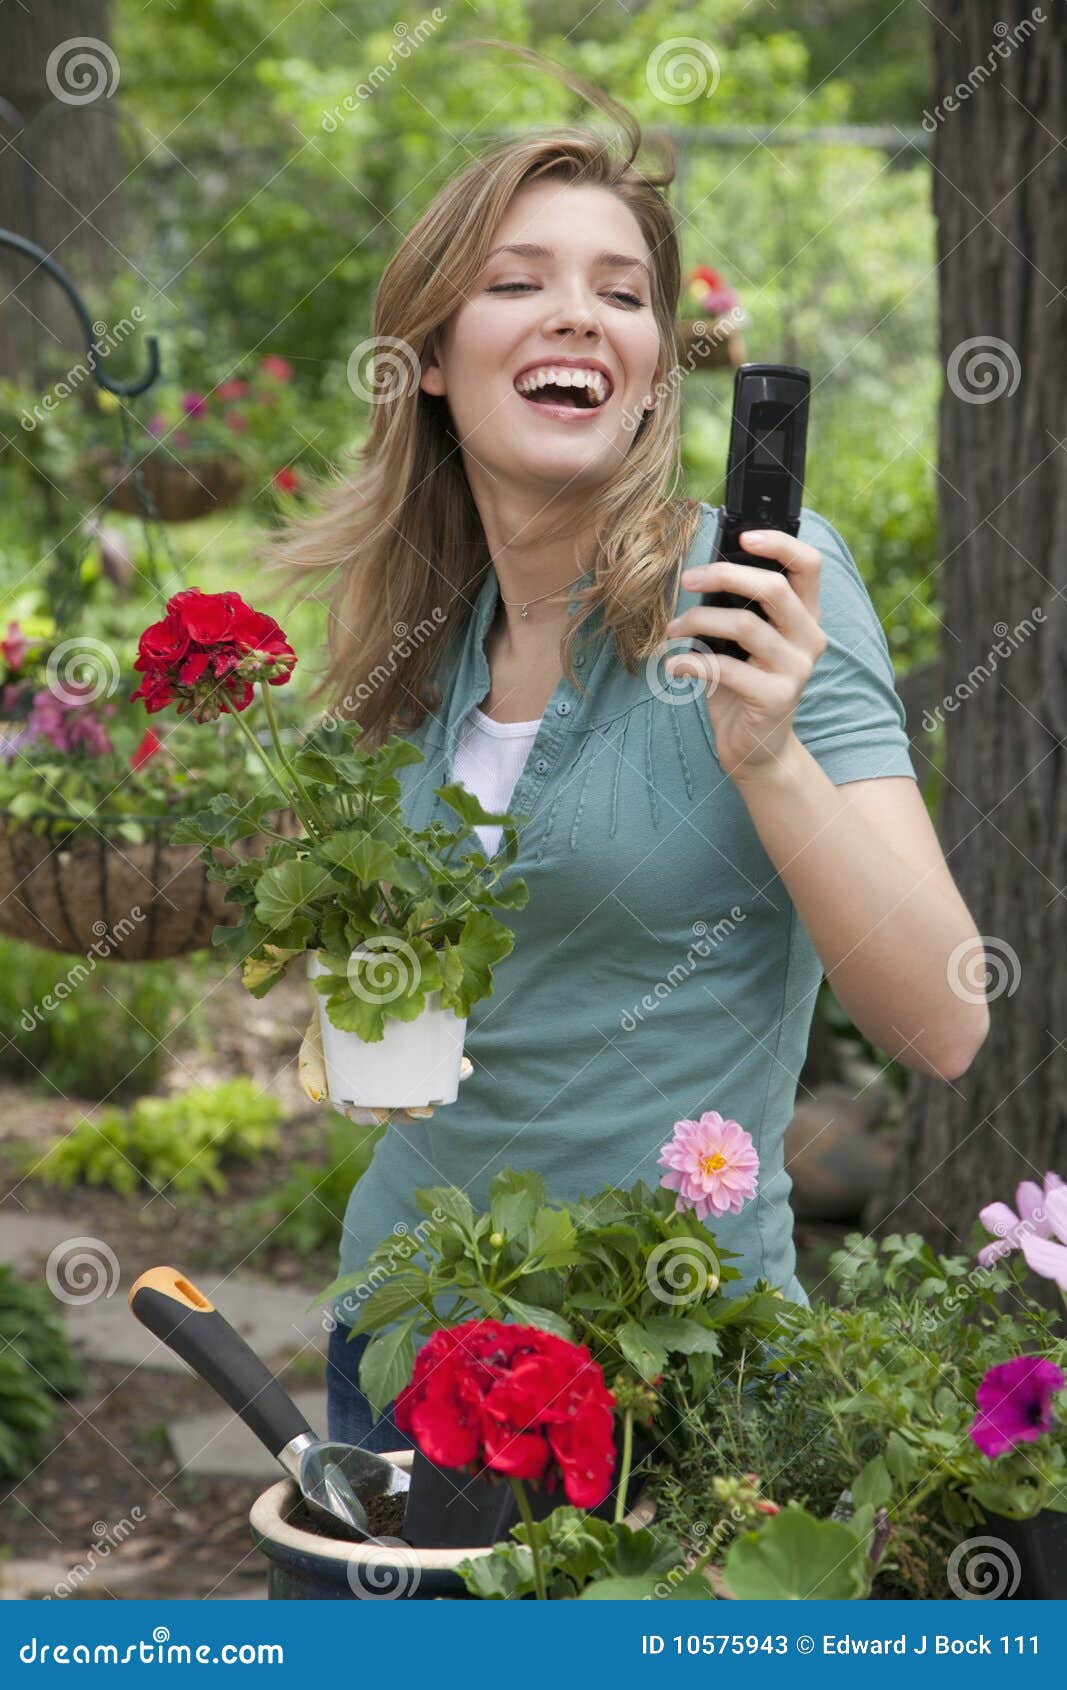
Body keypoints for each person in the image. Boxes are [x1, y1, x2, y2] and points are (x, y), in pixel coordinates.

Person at [270, 53, 989, 1453]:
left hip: (672, 1372)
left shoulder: (770, 589)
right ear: (426, 354)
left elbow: (945, 1022)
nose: (579, 316)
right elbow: (406, 1029)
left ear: (660, 362)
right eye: (518, 279)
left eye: (621, 291)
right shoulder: (413, 637)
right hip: (404, 1345)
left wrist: (769, 754)